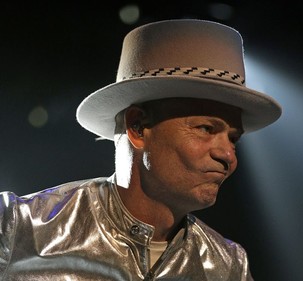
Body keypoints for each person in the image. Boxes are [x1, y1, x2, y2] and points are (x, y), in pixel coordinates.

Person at [0, 19, 281, 280]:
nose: (228, 156)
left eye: (234, 139)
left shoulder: (229, 265)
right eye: (206, 129)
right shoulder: (18, 227)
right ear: (137, 127)